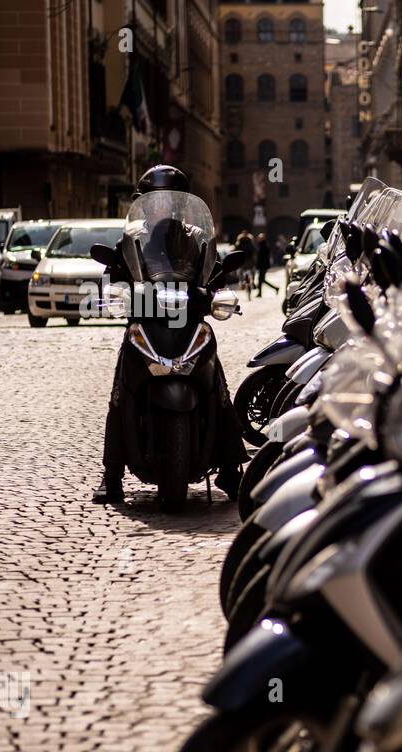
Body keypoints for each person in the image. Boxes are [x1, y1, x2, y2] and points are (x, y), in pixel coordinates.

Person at [92, 164, 246, 504]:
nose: (160, 206)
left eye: (166, 201)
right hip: (146, 316)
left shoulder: (195, 236)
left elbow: (213, 268)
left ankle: (232, 467)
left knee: (216, 380)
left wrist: (216, 287)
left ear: (178, 204)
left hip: (188, 317)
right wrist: (117, 284)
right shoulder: (133, 238)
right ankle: (112, 473)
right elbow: (117, 267)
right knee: (122, 387)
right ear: (143, 203)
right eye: (152, 200)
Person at [255, 233, 278, 297]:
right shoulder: (261, 245)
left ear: (261, 239)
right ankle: (260, 293)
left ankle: (275, 288)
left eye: (259, 238)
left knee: (261, 280)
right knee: (261, 280)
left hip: (263, 266)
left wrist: (259, 265)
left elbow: (263, 258)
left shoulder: (264, 246)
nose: (257, 239)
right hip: (262, 265)